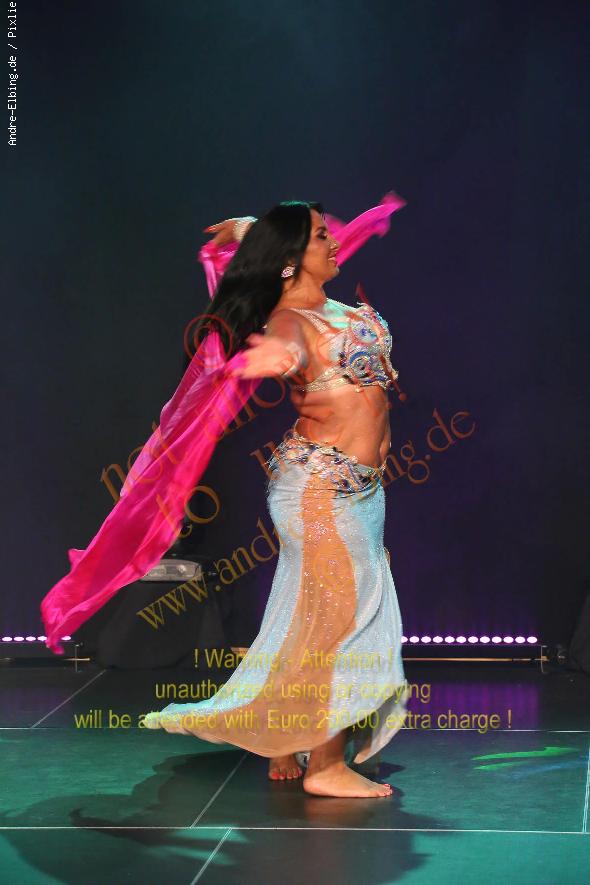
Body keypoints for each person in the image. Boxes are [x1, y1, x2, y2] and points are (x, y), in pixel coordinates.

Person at [142, 198, 410, 798]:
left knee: (308, 617)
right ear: (291, 257)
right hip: (320, 491)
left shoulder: (336, 310)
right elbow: (285, 346)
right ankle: (325, 766)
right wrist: (271, 358)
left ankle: (284, 737)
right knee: (337, 622)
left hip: (359, 490)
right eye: (320, 236)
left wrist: (247, 231)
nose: (334, 241)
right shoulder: (289, 322)